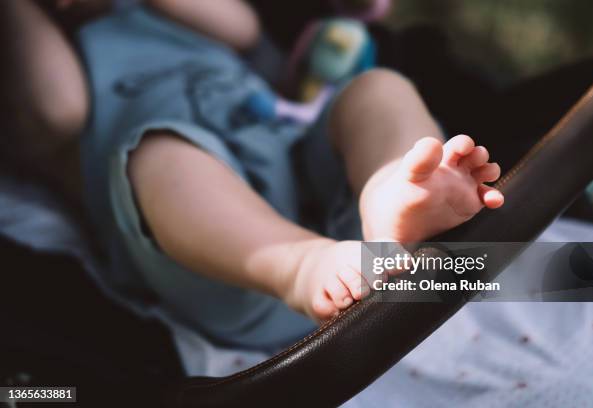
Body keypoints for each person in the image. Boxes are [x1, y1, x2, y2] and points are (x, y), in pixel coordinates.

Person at [2, 0, 503, 351]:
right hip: (231, 261)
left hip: (287, 150)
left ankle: (391, 195)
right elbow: (57, 108)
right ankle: (303, 266)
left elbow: (239, 26)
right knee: (161, 154)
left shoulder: (162, 12)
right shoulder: (36, 64)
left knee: (375, 88)